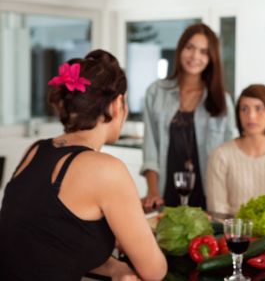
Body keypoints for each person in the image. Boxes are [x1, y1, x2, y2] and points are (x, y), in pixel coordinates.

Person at [0, 50, 167, 281]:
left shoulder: (36, 150)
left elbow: (51, 246)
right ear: (117, 104)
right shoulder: (106, 170)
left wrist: (114, 268)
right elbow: (155, 271)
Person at [141, 23, 237, 210]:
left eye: (203, 51)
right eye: (190, 48)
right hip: (165, 194)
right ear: (180, 49)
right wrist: (153, 191)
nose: (195, 56)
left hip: (209, 197)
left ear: (211, 58)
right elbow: (150, 149)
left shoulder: (222, 100)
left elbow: (230, 155)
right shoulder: (156, 92)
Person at [206, 84, 265, 216]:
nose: (251, 116)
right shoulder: (220, 155)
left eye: (258, 108)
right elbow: (217, 211)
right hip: (232, 235)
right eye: (244, 109)